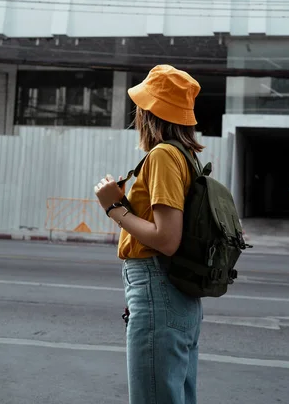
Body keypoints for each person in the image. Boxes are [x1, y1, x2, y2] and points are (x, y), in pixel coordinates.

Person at [95, 64, 204, 404]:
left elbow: (166, 239)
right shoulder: (186, 156)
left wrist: (114, 208)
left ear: (150, 112)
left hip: (158, 286)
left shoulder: (161, 156)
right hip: (178, 293)